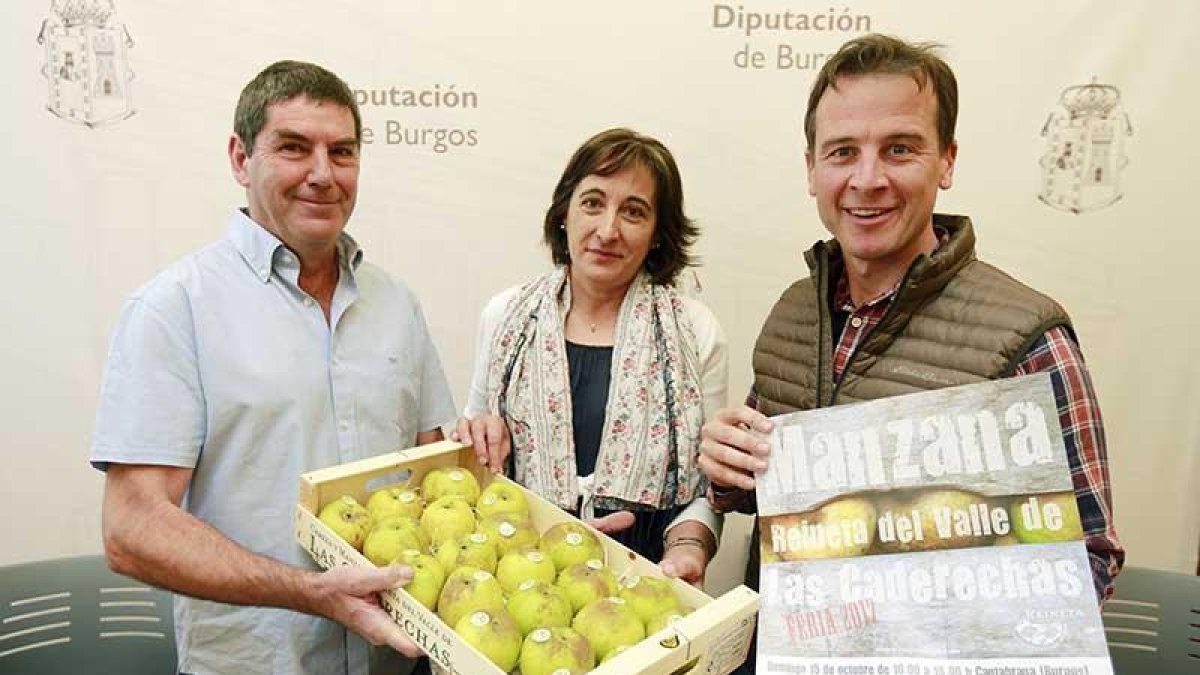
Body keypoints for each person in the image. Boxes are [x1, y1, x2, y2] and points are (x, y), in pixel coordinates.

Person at [696, 34, 1124, 671]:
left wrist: (922, 603)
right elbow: (763, 495)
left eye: (899, 149)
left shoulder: (1029, 339)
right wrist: (730, 472)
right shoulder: (794, 311)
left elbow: (1089, 561)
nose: (868, 180)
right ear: (812, 168)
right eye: (843, 152)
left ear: (946, 162)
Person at [90, 60, 493, 675]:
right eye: (294, 148)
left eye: (343, 152)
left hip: (396, 661)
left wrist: (530, 514)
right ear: (240, 158)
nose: (323, 175)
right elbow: (132, 528)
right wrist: (310, 593)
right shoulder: (175, 308)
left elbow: (431, 473)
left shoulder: (395, 303)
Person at [456, 128, 728, 585]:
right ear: (564, 211)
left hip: (647, 576)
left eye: (634, 212)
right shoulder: (505, 315)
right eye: (592, 203)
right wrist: (474, 442)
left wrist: (689, 546)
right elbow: (474, 456)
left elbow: (710, 485)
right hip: (522, 569)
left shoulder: (697, 331)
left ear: (659, 234)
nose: (607, 230)